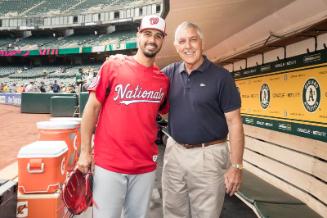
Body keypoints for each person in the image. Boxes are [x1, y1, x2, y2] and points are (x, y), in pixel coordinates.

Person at [77, 15, 169, 218]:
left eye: (158, 36)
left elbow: (164, 111)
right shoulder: (113, 66)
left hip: (145, 165)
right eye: (147, 34)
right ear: (138, 35)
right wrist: (85, 152)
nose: (152, 40)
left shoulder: (163, 81)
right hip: (110, 163)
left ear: (163, 40)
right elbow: (91, 109)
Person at [161, 21, 244, 218]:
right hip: (174, 152)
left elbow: (235, 123)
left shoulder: (221, 77)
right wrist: (122, 60)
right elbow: (142, 77)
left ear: (202, 43)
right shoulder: (169, 73)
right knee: (172, 212)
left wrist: (236, 166)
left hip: (210, 155)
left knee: (206, 215)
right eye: (182, 41)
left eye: (193, 40)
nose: (188, 46)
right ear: (176, 46)